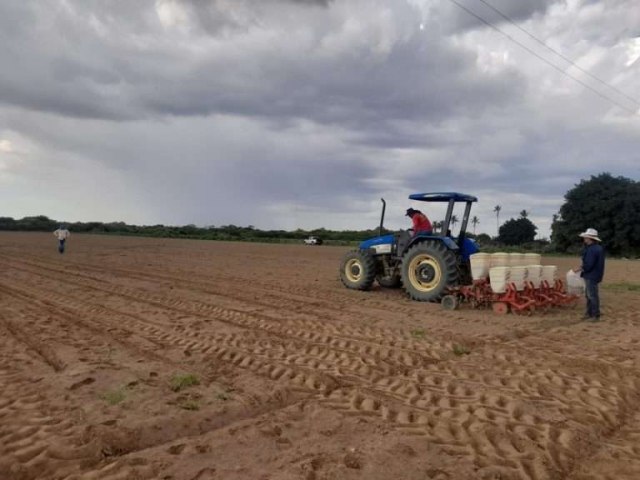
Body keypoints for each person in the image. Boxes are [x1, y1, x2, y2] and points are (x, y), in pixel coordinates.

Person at [573, 227, 605, 322]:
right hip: (594, 275)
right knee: (589, 295)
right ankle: (590, 313)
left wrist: (579, 268)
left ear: (590, 238)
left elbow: (589, 264)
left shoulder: (592, 250)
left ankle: (595, 315)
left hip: (591, 275)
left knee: (592, 295)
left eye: (586, 237)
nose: (584, 239)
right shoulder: (597, 248)